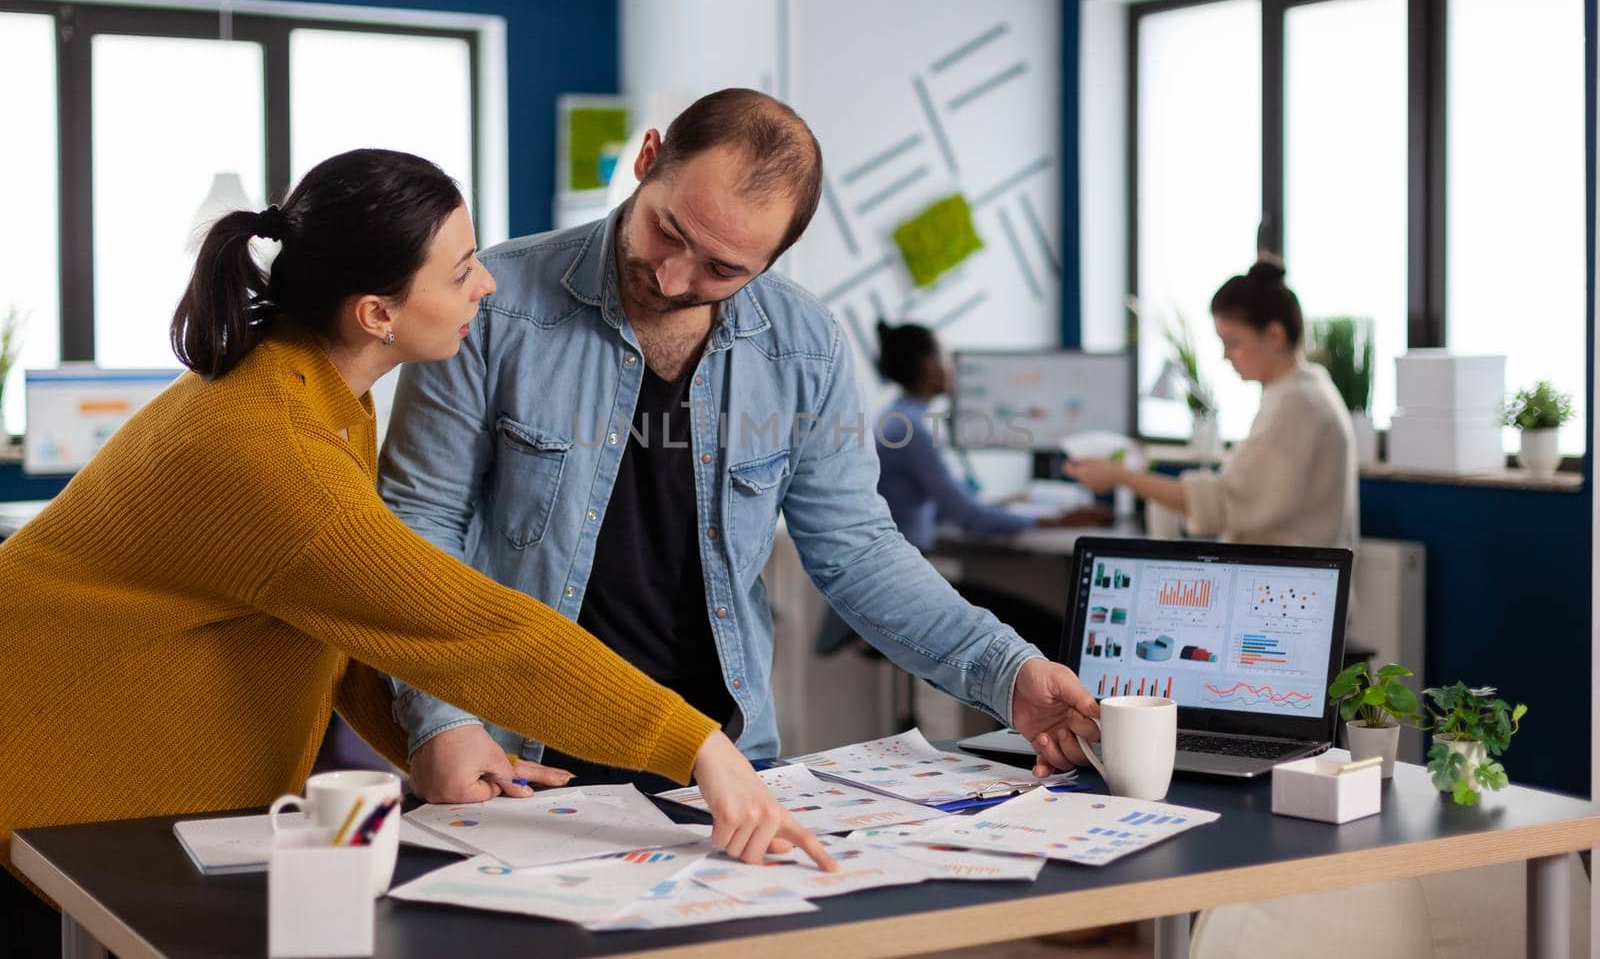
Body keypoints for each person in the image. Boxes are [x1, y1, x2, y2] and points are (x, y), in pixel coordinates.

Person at [0, 149, 836, 951]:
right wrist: (699, 745)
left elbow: (344, 612)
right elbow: (471, 629)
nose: (488, 283)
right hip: (44, 795)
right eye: (461, 268)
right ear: (378, 313)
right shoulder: (271, 443)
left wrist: (431, 737)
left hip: (117, 815)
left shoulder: (318, 394)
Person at [378, 89, 1102, 798]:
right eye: (669, 230)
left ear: (774, 257)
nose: (672, 276)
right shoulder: (495, 304)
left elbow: (857, 550)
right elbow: (417, 525)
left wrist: (1006, 671)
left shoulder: (806, 346)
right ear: (650, 158)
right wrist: (440, 718)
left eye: (722, 269)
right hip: (519, 758)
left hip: (724, 769)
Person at [1064, 257, 1357, 549]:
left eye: (1232, 342)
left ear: (1274, 336)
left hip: (1290, 584)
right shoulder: (1299, 391)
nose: (1225, 356)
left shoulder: (1297, 403)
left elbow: (1224, 503)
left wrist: (1121, 476)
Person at [862, 320, 1109, 654]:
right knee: (1059, 633)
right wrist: (1058, 521)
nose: (952, 369)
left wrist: (1006, 505)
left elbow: (940, 509)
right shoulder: (913, 430)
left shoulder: (895, 417)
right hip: (901, 586)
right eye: (946, 358)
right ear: (927, 364)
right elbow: (968, 517)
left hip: (895, 576)